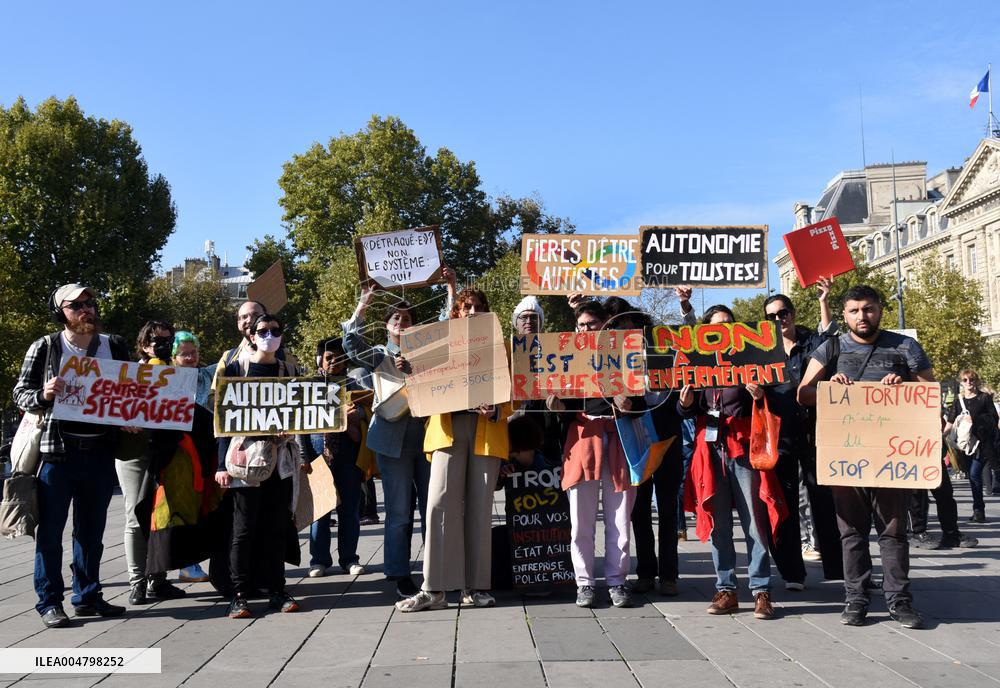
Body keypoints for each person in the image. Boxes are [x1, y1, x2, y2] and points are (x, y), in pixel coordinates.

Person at [798, 285, 932, 629]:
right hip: (846, 455)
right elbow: (804, 393)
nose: (862, 316)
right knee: (852, 533)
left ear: (880, 310)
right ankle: (855, 600)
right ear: (844, 315)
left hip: (892, 457)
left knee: (893, 532)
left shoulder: (905, 346)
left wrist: (904, 387)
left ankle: (900, 602)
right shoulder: (831, 347)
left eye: (868, 309)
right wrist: (830, 386)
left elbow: (930, 393)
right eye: (855, 311)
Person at [13, 284, 132, 628]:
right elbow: (21, 394)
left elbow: (132, 393)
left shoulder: (114, 346)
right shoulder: (47, 347)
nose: (86, 309)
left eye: (90, 303)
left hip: (99, 452)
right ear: (60, 312)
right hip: (57, 455)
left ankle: (88, 596)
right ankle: (50, 602)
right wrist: (44, 393)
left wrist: (131, 421)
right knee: (50, 532)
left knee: (91, 533)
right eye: (76, 305)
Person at [396, 288, 511, 612]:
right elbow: (416, 396)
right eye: (466, 307)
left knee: (480, 510)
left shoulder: (498, 345)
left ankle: (475, 588)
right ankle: (434, 590)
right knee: (438, 506)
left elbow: (513, 391)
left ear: (485, 312)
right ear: (456, 313)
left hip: (485, 432)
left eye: (478, 307)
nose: (472, 312)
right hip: (447, 432)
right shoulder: (439, 345)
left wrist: (498, 411)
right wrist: (411, 371)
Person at [679, 305, 783, 620]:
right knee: (719, 524)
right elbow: (686, 411)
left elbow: (775, 398)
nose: (723, 329)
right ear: (707, 331)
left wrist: (759, 394)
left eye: (728, 324)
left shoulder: (751, 359)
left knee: (754, 521)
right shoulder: (697, 365)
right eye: (716, 325)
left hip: (743, 448)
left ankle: (761, 591)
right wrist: (684, 403)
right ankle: (726, 588)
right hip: (710, 450)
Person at [548, 300, 640, 610]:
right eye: (582, 325)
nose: (587, 329)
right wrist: (558, 409)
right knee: (581, 521)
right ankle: (584, 583)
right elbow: (560, 408)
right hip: (583, 440)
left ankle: (617, 580)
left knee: (619, 519)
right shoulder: (566, 358)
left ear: (605, 325)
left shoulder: (626, 355)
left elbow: (641, 401)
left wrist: (629, 404)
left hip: (618, 440)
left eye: (592, 324)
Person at [216, 313, 306, 618]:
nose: (270, 335)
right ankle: (238, 594)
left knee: (276, 528)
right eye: (263, 330)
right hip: (245, 461)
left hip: (280, 461)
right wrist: (220, 466)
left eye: (275, 330)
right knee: (243, 530)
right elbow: (222, 422)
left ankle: (277, 591)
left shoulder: (290, 370)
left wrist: (293, 429)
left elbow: (302, 410)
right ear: (251, 335)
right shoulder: (234, 369)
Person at [343, 288, 430, 599]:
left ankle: (435, 572)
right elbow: (351, 345)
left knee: (432, 509)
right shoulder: (380, 354)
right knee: (398, 511)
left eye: (407, 319)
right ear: (387, 325)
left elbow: (452, 329)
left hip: (428, 437)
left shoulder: (428, 350)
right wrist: (362, 304)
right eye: (396, 318)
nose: (402, 323)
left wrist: (450, 289)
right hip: (393, 440)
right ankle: (399, 573)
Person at [761, 282, 842, 588]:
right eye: (771, 316)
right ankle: (792, 572)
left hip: (814, 433)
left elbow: (831, 343)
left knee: (825, 501)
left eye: (783, 313)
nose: (779, 319)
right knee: (784, 505)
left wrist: (824, 301)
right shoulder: (761, 351)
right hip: (778, 436)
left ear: (793, 314)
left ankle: (838, 568)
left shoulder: (810, 341)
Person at [144, 331, 226, 583]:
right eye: (184, 353)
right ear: (174, 357)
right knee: (175, 507)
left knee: (205, 505)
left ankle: (194, 563)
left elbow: (231, 360)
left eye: (194, 352)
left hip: (206, 447)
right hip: (177, 451)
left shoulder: (207, 375)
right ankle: (172, 567)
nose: (190, 357)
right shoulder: (164, 377)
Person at [118, 320, 187, 605]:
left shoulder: (177, 374)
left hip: (166, 449)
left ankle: (157, 580)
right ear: (144, 345)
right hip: (135, 451)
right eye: (158, 341)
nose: (164, 345)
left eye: (169, 340)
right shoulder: (129, 373)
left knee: (163, 515)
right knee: (136, 515)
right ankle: (137, 581)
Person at [303, 337, 366, 578]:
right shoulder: (308, 387)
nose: (335, 362)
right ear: (320, 359)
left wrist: (357, 414)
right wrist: (303, 455)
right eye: (330, 357)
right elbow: (300, 426)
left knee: (350, 511)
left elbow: (366, 417)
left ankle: (349, 558)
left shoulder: (354, 386)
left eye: (339, 357)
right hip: (318, 456)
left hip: (349, 456)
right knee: (320, 512)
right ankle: (318, 560)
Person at [944, 369, 998, 523]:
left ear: (976, 381)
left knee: (974, 474)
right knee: (971, 475)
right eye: (965, 380)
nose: (969, 383)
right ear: (961, 382)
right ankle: (978, 510)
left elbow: (993, 418)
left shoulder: (984, 398)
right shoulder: (958, 400)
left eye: (972, 380)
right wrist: (941, 436)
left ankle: (979, 510)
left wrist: (975, 419)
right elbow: (950, 421)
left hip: (982, 443)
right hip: (965, 445)